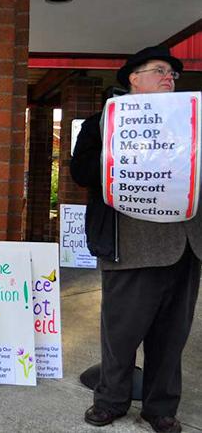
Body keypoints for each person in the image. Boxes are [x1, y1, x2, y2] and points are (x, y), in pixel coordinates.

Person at [71, 46, 201, 433]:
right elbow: (81, 172)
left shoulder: (193, 122)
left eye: (173, 75)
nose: (169, 78)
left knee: (172, 334)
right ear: (133, 78)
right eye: (160, 70)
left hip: (186, 244)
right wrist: (126, 153)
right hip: (131, 244)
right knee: (121, 331)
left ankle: (160, 408)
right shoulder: (102, 123)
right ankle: (111, 400)